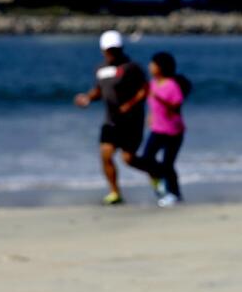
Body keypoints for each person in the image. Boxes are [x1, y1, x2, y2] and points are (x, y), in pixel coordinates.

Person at [74, 30, 148, 205]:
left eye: (115, 49)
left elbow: (144, 89)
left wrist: (129, 105)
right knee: (105, 154)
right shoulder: (100, 69)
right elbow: (99, 90)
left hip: (131, 121)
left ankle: (155, 172)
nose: (111, 53)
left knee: (128, 159)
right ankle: (115, 192)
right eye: (108, 50)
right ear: (102, 50)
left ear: (121, 48)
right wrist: (87, 98)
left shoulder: (132, 67)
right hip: (111, 120)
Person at [129, 51, 188, 207]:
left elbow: (176, 106)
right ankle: (162, 186)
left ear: (160, 67)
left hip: (174, 131)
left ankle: (174, 194)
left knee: (168, 164)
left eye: (153, 64)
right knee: (147, 159)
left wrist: (160, 99)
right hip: (157, 129)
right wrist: (150, 116)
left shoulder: (172, 85)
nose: (150, 67)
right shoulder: (153, 83)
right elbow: (151, 103)